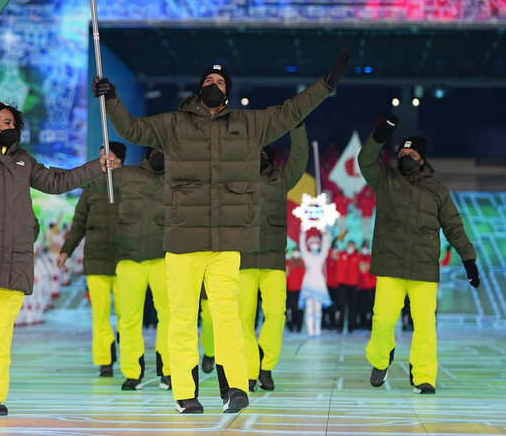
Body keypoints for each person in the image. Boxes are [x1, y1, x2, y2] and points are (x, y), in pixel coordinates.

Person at [92, 50, 349, 413]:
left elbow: (291, 111)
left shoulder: (248, 125)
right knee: (181, 319)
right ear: (199, 90)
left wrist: (325, 86)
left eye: (221, 83)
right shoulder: (173, 124)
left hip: (227, 240)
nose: (214, 86)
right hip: (183, 238)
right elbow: (131, 129)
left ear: (228, 92)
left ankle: (235, 388)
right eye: (209, 82)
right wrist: (113, 99)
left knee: (227, 316)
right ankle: (185, 392)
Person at [0, 56, 119, 417]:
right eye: (6, 122)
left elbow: (57, 182)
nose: (13, 126)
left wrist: (97, 167)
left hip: (16, 259)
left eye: (15, 123)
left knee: (1, 332)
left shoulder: (24, 162)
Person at [360, 115, 479, 395]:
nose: (405, 158)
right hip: (390, 266)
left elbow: (453, 227)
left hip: (423, 269)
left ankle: (423, 375)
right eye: (401, 154)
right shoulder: (385, 179)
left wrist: (468, 260)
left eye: (411, 155)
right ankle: (381, 358)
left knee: (425, 325)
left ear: (422, 160)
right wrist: (380, 134)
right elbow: (364, 161)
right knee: (382, 321)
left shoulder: (437, 191)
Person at [239, 124, 307, 392]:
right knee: (242, 319)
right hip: (242, 260)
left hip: (272, 261)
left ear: (270, 156)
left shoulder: (281, 179)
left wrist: (297, 126)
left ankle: (265, 366)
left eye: (263, 153)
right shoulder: (235, 179)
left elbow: (299, 158)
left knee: (277, 315)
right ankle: (248, 369)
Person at [56, 141, 128, 378]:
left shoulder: (131, 185)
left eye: (108, 156)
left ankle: (129, 360)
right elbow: (78, 224)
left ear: (120, 160)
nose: (104, 161)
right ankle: (105, 360)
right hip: (96, 261)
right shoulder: (91, 188)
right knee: (100, 314)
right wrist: (66, 251)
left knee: (128, 315)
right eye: (100, 157)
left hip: (124, 260)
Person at [106, 147, 170, 391]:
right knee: (128, 319)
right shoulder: (127, 175)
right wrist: (102, 167)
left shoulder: (178, 178)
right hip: (129, 258)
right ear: (147, 153)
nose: (160, 154)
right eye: (156, 149)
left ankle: (169, 370)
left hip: (163, 258)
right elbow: (98, 183)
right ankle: (132, 372)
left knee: (170, 316)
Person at [299, 229, 332, 337]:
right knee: (309, 307)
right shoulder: (306, 255)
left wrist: (325, 235)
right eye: (313, 243)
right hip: (308, 281)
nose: (315, 245)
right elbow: (302, 247)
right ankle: (310, 330)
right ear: (309, 244)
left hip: (319, 282)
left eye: (317, 243)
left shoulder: (321, 256)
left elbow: (326, 248)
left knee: (318, 308)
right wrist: (302, 234)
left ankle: (317, 329)